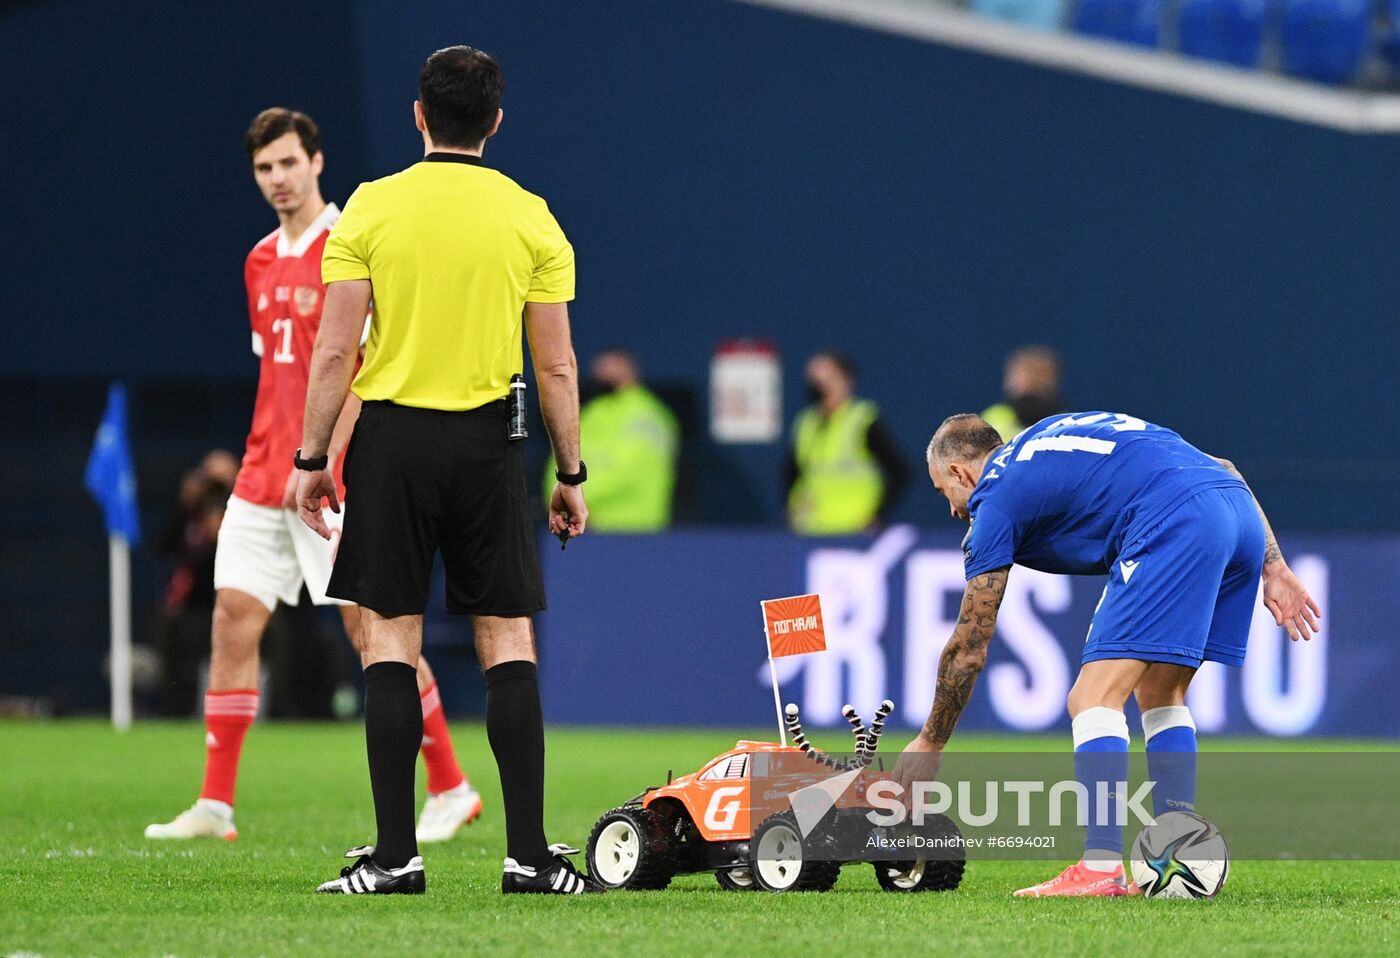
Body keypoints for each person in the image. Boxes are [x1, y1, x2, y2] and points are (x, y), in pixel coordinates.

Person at [296, 46, 597, 895]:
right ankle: (529, 858)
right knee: (506, 637)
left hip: (390, 443)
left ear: (419, 115)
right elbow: (557, 365)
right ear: (496, 121)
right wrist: (570, 472)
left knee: (390, 638)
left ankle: (395, 859)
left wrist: (314, 457)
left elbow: (335, 352)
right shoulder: (531, 217)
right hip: (488, 445)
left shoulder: (370, 207)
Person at [145, 108, 480, 845]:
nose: (278, 179)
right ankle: (215, 805)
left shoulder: (351, 244)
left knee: (372, 633)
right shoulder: (259, 259)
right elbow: (279, 374)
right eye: (265, 168)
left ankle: (451, 786)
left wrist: (326, 457)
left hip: (332, 481)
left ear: (317, 161)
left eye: (289, 163)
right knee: (232, 620)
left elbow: (366, 372)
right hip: (261, 475)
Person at [897, 411, 1320, 896]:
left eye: (943, 492)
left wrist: (930, 742)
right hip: (1237, 514)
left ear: (959, 472)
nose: (953, 510)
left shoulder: (994, 497)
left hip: (1174, 520)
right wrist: (1274, 565)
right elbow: (1224, 466)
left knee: (1092, 698)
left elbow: (969, 647)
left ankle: (1100, 865)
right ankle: (1176, 852)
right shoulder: (1049, 434)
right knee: (1161, 691)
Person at [544, 348, 678, 531]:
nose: (604, 375)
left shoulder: (648, 416)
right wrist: (562, 501)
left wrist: (575, 500)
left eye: (613, 368)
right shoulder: (590, 413)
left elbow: (630, 471)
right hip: (581, 526)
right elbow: (559, 460)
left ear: (631, 371)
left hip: (634, 529)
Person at [785, 351, 908, 534]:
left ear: (846, 380)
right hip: (811, 530)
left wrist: (875, 515)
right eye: (815, 381)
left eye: (828, 379)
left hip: (854, 531)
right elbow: (793, 473)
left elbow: (899, 471)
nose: (821, 387)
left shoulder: (862, 420)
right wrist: (792, 510)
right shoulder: (806, 422)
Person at [980, 345, 1064, 442]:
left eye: (1040, 375)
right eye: (1025, 374)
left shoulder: (1068, 422)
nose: (1032, 383)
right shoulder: (990, 421)